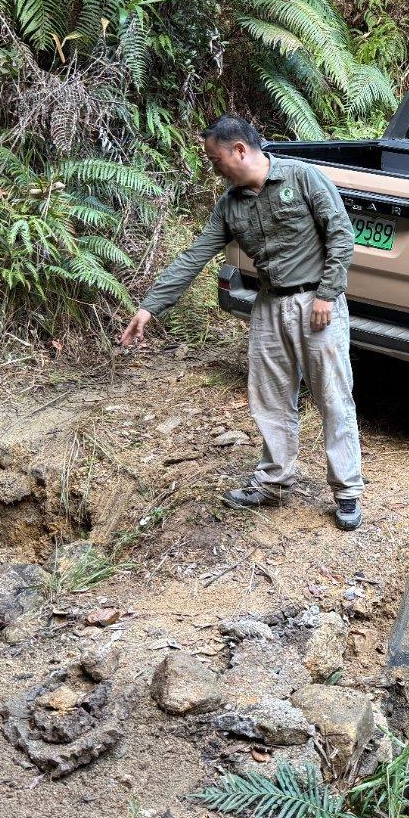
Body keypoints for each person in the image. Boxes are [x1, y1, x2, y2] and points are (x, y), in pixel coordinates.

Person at [119, 115, 365, 530]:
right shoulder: (230, 205)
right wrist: (150, 307)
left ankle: (347, 492)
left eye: (215, 159)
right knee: (270, 398)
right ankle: (273, 483)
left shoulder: (301, 178)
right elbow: (195, 256)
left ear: (239, 150)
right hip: (269, 305)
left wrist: (327, 293)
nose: (213, 168)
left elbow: (340, 234)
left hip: (317, 303)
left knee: (333, 397)